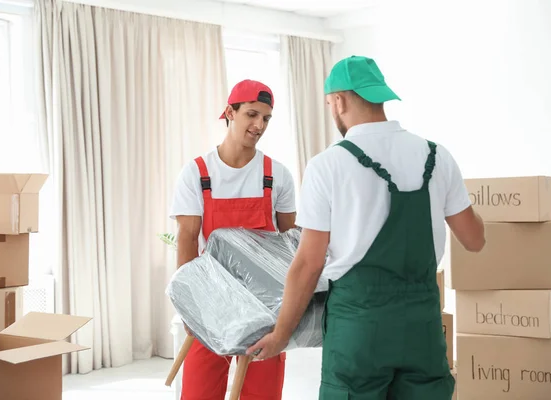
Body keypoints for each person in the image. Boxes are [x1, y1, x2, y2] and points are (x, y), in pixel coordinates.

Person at [247, 56, 486, 399]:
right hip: (421, 327)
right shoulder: (437, 156)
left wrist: (281, 335)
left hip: (359, 329)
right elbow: (475, 240)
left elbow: (308, 264)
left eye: (330, 104)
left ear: (339, 101)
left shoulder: (327, 165)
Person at [169, 79, 297, 400]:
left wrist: (291, 312)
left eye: (266, 119)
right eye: (252, 115)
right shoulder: (198, 173)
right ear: (230, 112)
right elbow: (186, 240)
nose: (259, 125)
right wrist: (190, 306)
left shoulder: (276, 174)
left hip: (265, 310)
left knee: (263, 395)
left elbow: (291, 246)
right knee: (198, 393)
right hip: (212, 305)